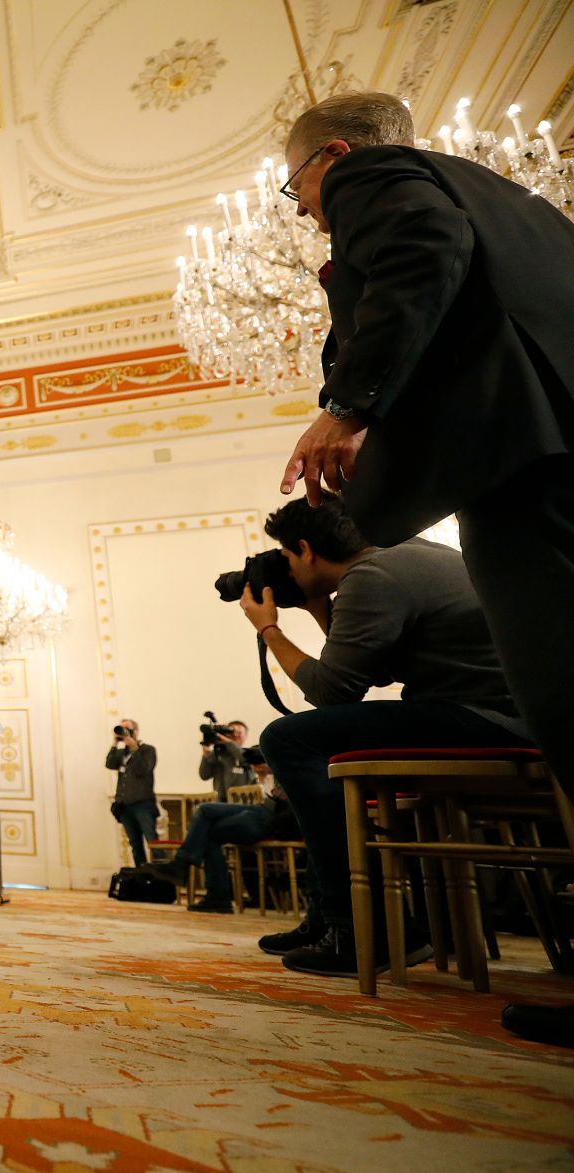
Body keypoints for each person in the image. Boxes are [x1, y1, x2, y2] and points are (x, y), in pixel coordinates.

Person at [277, 91, 573, 1031]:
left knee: (568, 697)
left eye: (296, 189)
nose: (301, 210)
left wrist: (351, 402)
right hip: (555, 438)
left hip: (524, 456)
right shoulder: (513, 202)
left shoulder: (378, 174)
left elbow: (417, 258)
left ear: (332, 155)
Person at [243, 496, 530, 976]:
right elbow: (362, 673)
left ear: (307, 550)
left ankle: (361, 929)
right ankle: (329, 917)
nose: (288, 571)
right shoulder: (404, 555)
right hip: (497, 714)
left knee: (289, 739)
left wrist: (268, 627)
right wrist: (318, 606)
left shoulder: (373, 576)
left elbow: (333, 693)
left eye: (289, 559)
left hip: (483, 719)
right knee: (319, 747)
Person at [144, 769, 303, 917]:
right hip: (263, 807)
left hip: (273, 817)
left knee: (207, 830)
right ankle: (188, 872)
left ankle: (198, 880)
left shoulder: (305, 767)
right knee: (204, 810)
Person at [105, 720, 158, 867]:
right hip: (125, 806)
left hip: (143, 805)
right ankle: (142, 879)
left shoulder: (148, 750)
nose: (124, 732)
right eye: (122, 729)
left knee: (153, 842)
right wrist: (115, 743)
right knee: (135, 844)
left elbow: (143, 769)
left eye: (127, 729)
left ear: (136, 730)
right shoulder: (122, 753)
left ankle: (162, 880)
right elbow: (109, 764)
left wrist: (135, 748)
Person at [198, 720, 256, 802]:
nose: (235, 735)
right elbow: (204, 775)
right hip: (220, 802)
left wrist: (229, 743)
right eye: (232, 732)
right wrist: (206, 754)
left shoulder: (251, 754)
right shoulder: (219, 754)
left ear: (246, 736)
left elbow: (245, 760)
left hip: (243, 803)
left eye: (239, 733)